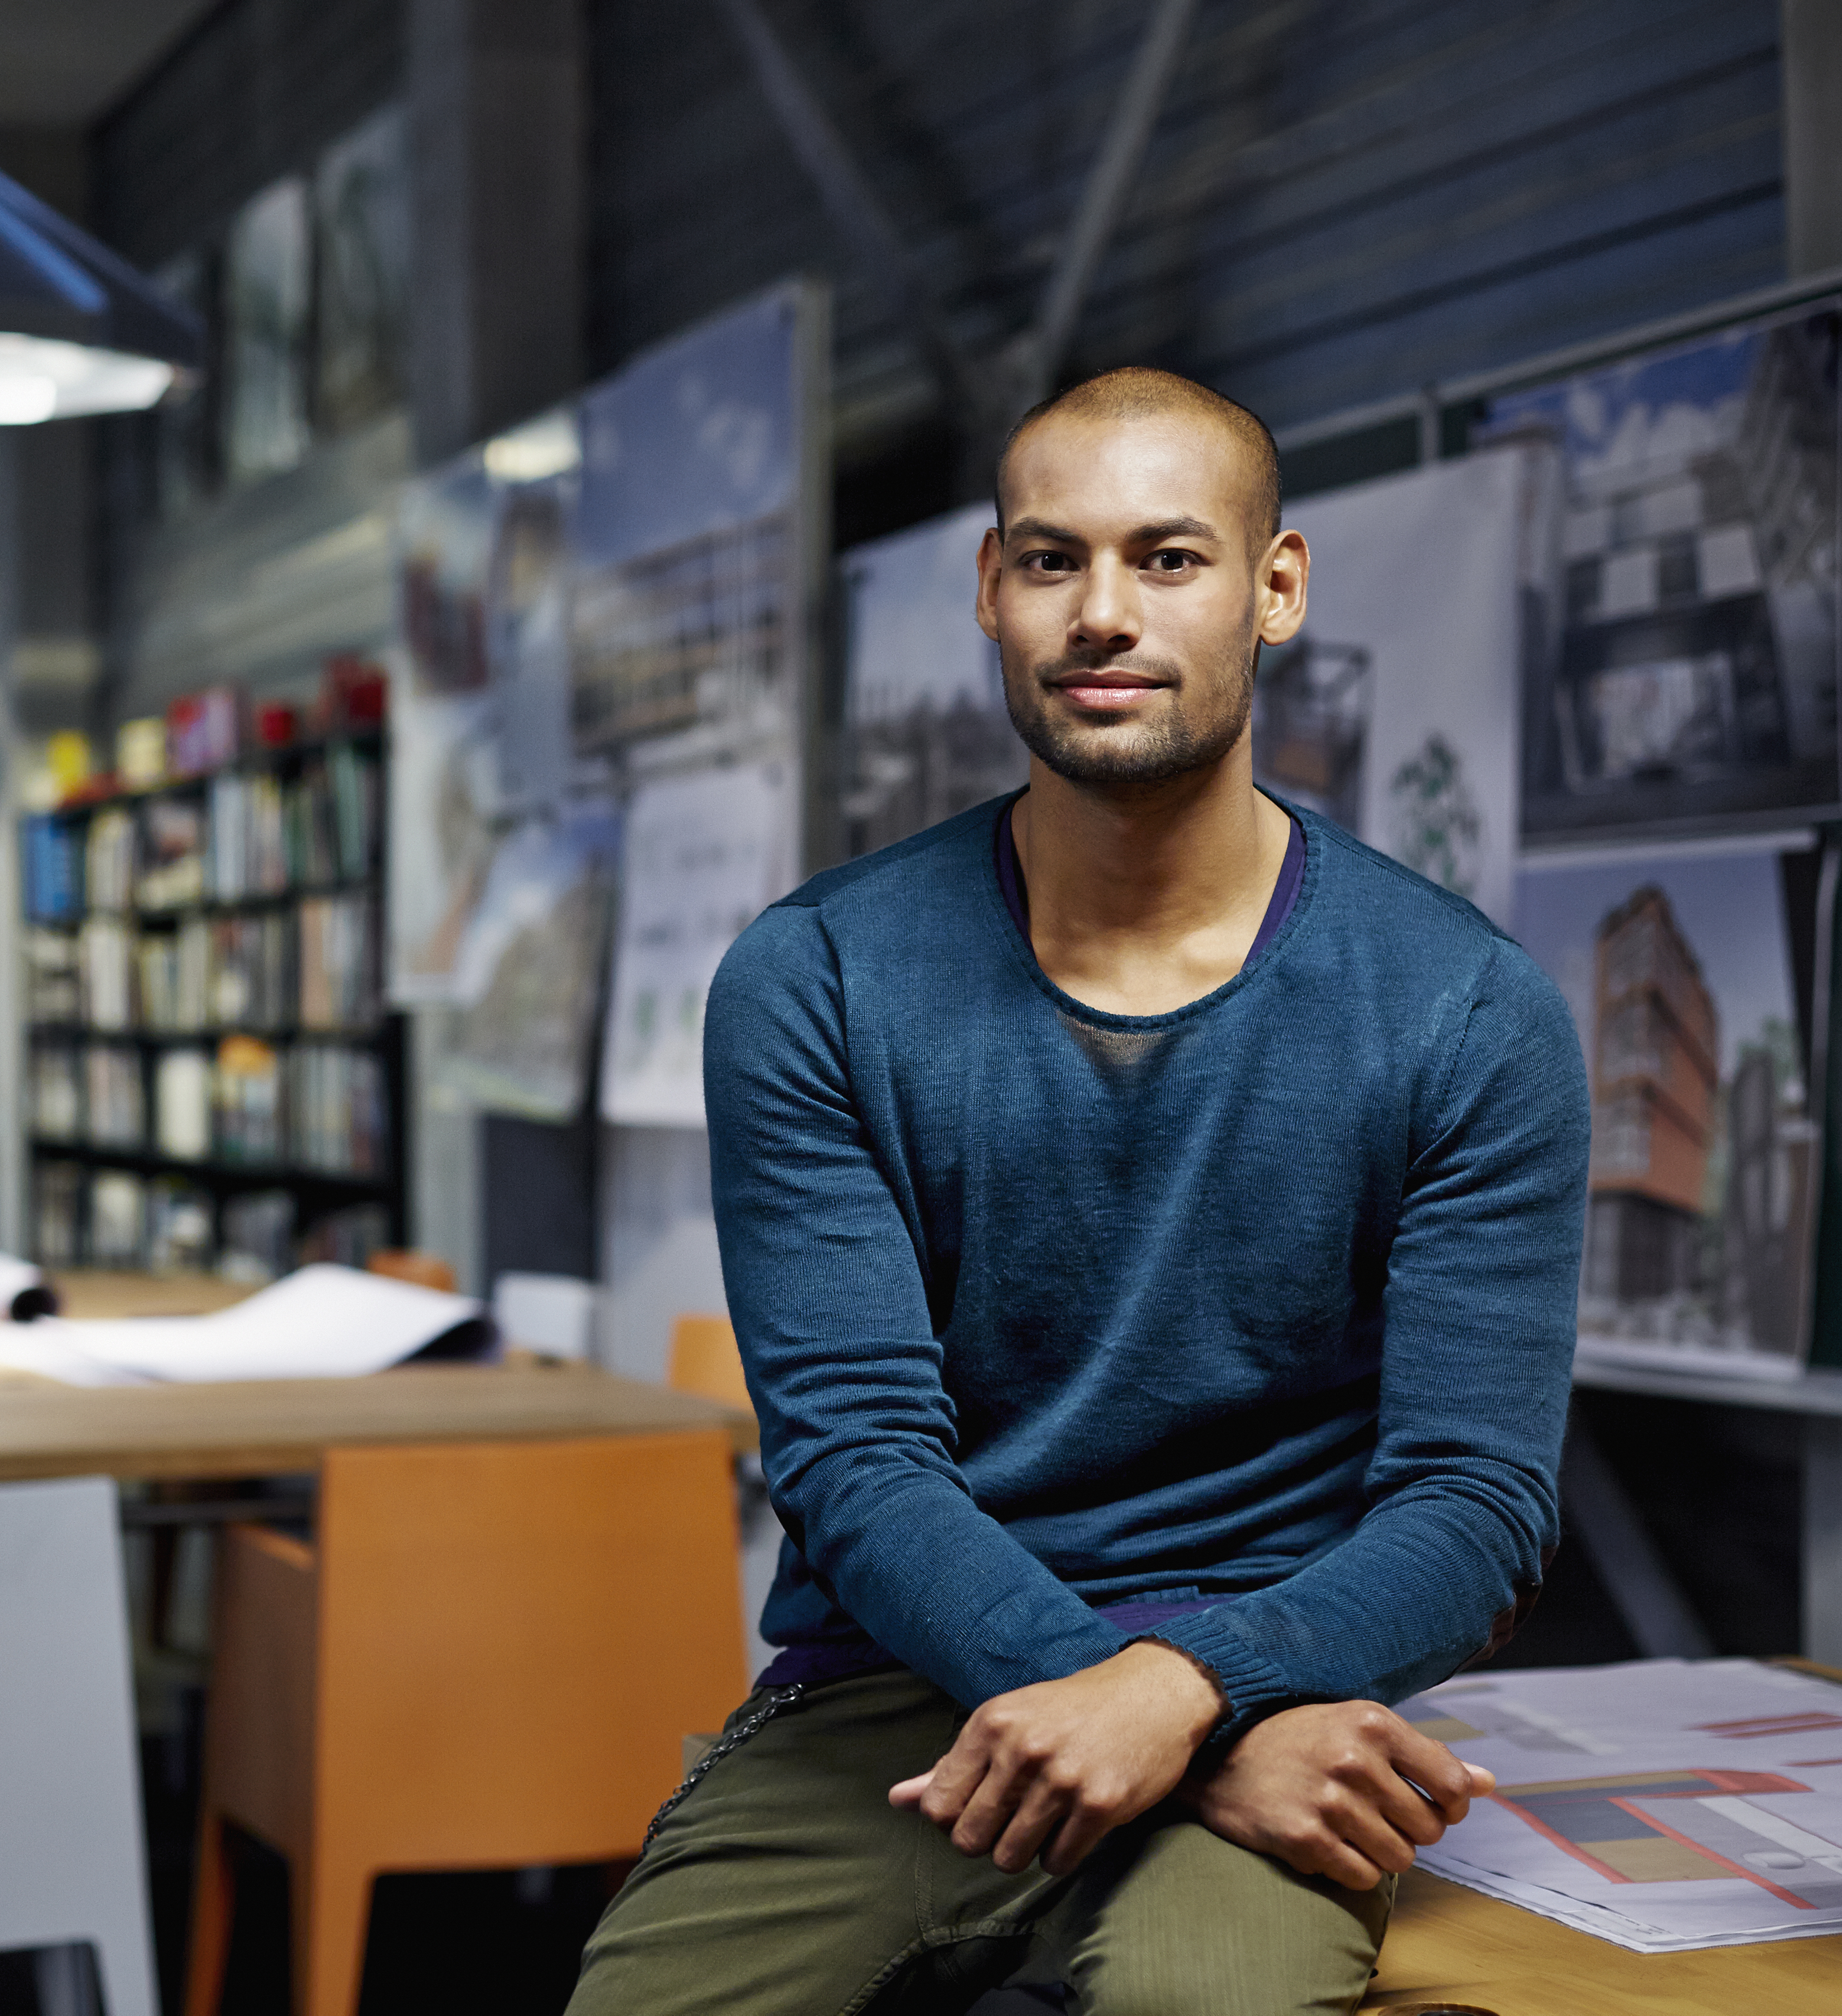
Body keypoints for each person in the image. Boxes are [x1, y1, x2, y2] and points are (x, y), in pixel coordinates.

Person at [567, 367, 1590, 2016]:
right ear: (990, 591)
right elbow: (851, 1456)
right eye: (1053, 561)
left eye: (1170, 560)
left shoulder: (1464, 1011)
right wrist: (1151, 1719)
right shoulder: (818, 977)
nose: (1102, 613)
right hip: (899, 1681)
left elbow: (1476, 1505)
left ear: (1277, 588)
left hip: (1276, 1677)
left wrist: (1190, 1693)